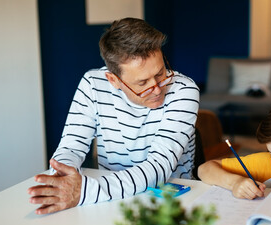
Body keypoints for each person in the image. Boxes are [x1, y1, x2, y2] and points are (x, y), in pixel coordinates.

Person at [28, 18, 200, 214]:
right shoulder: (93, 84)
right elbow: (71, 147)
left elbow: (158, 167)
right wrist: (61, 178)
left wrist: (84, 191)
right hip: (109, 201)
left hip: (169, 203)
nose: (157, 89)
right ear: (113, 80)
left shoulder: (184, 90)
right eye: (142, 83)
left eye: (161, 73)